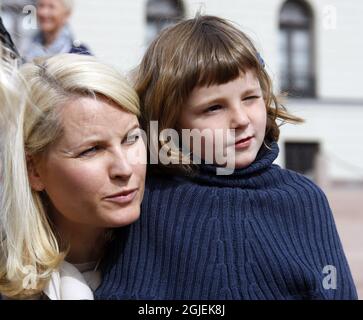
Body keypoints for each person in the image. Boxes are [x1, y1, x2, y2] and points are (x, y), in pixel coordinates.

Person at [95, 15, 358, 300]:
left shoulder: (304, 200)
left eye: (250, 98)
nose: (241, 119)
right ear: (170, 121)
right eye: (213, 108)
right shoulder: (144, 201)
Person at [0, 52, 146, 300]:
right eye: (92, 150)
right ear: (33, 170)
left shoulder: (180, 241)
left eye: (131, 138)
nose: (124, 168)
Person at [23, 0, 90, 62]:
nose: (43, 12)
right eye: (41, 6)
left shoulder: (79, 53)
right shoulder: (25, 48)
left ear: (66, 14)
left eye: (51, 7)